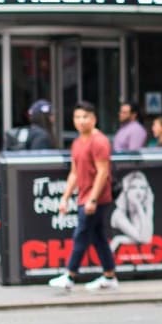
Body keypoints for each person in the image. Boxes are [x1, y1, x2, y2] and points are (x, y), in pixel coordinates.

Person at [49, 101, 119, 291]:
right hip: (85, 197)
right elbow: (74, 173)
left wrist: (93, 199)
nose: (81, 121)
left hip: (96, 198)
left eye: (85, 117)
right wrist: (65, 198)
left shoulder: (99, 141)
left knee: (81, 234)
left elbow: (103, 173)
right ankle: (109, 276)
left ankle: (70, 276)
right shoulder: (78, 142)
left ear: (94, 119)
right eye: (77, 117)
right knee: (98, 238)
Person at [110, 170, 155, 248]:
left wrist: (149, 208)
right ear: (126, 191)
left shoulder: (138, 211)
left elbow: (147, 238)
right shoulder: (118, 214)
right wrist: (139, 206)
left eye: (142, 188)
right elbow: (144, 239)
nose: (138, 192)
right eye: (133, 187)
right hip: (116, 259)